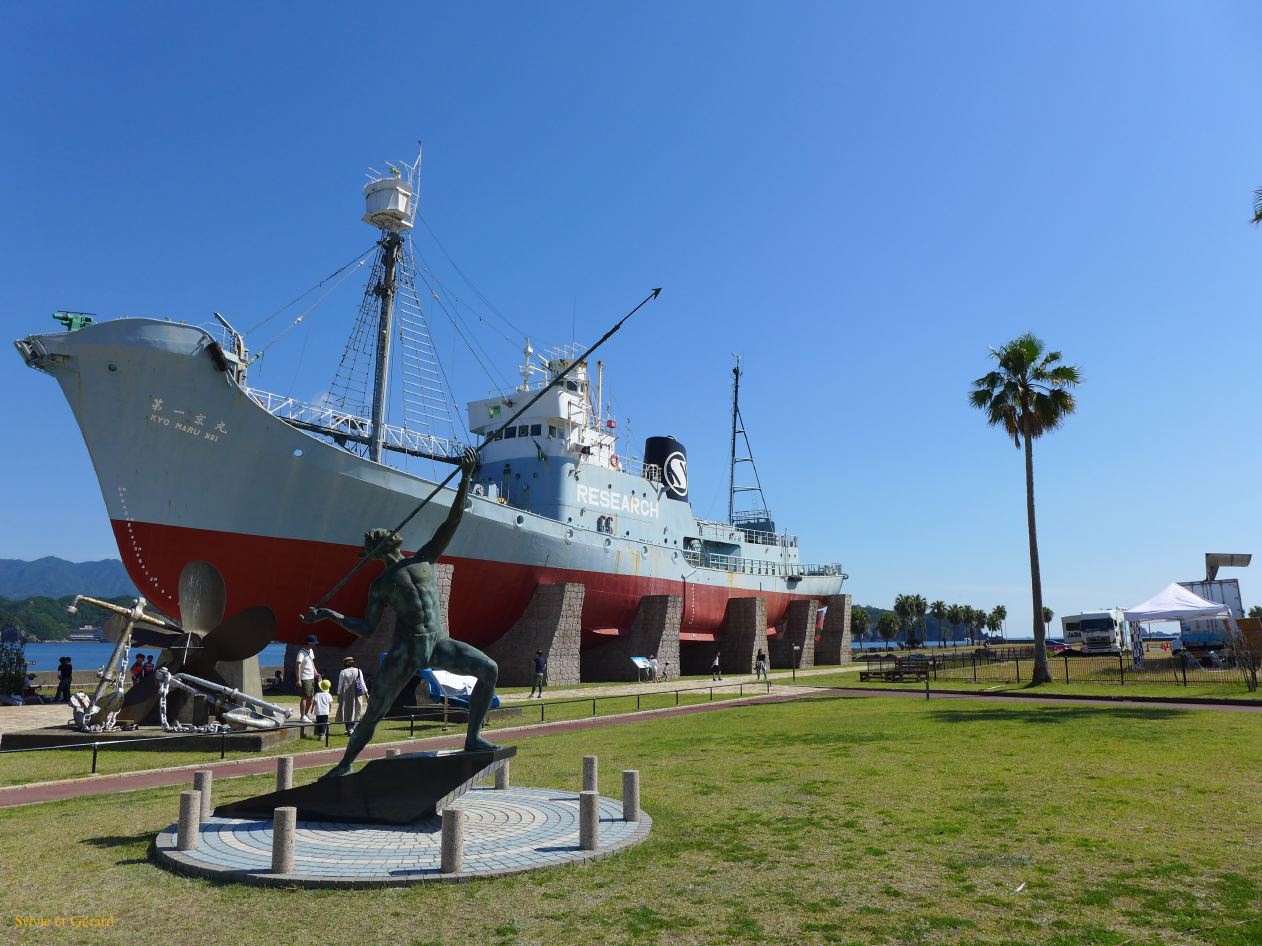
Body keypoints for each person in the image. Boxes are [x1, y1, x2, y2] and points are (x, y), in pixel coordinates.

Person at [304, 447, 498, 778]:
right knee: (375, 712)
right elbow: (366, 628)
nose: (377, 533)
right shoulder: (380, 585)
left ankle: (472, 738)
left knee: (489, 669)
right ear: (375, 551)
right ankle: (344, 764)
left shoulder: (424, 558)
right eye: (372, 537)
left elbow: (453, 520)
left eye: (377, 533)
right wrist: (330, 616)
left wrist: (465, 477)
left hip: (437, 642)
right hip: (406, 651)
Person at [336, 656, 367, 736]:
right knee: (356, 711)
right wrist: (366, 693)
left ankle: (348, 729)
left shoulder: (343, 672)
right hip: (356, 694)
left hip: (345, 694)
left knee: (346, 711)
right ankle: (352, 728)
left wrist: (339, 695)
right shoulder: (358, 671)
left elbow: (340, 685)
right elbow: (362, 683)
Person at [296, 634, 319, 722]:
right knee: (305, 697)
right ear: (308, 643)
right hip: (304, 677)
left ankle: (306, 714)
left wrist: (316, 672)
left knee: (311, 697)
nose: (314, 645)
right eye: (313, 643)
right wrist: (298, 680)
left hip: (311, 677)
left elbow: (312, 662)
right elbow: (297, 666)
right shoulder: (301, 653)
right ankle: (302, 716)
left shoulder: (311, 651)